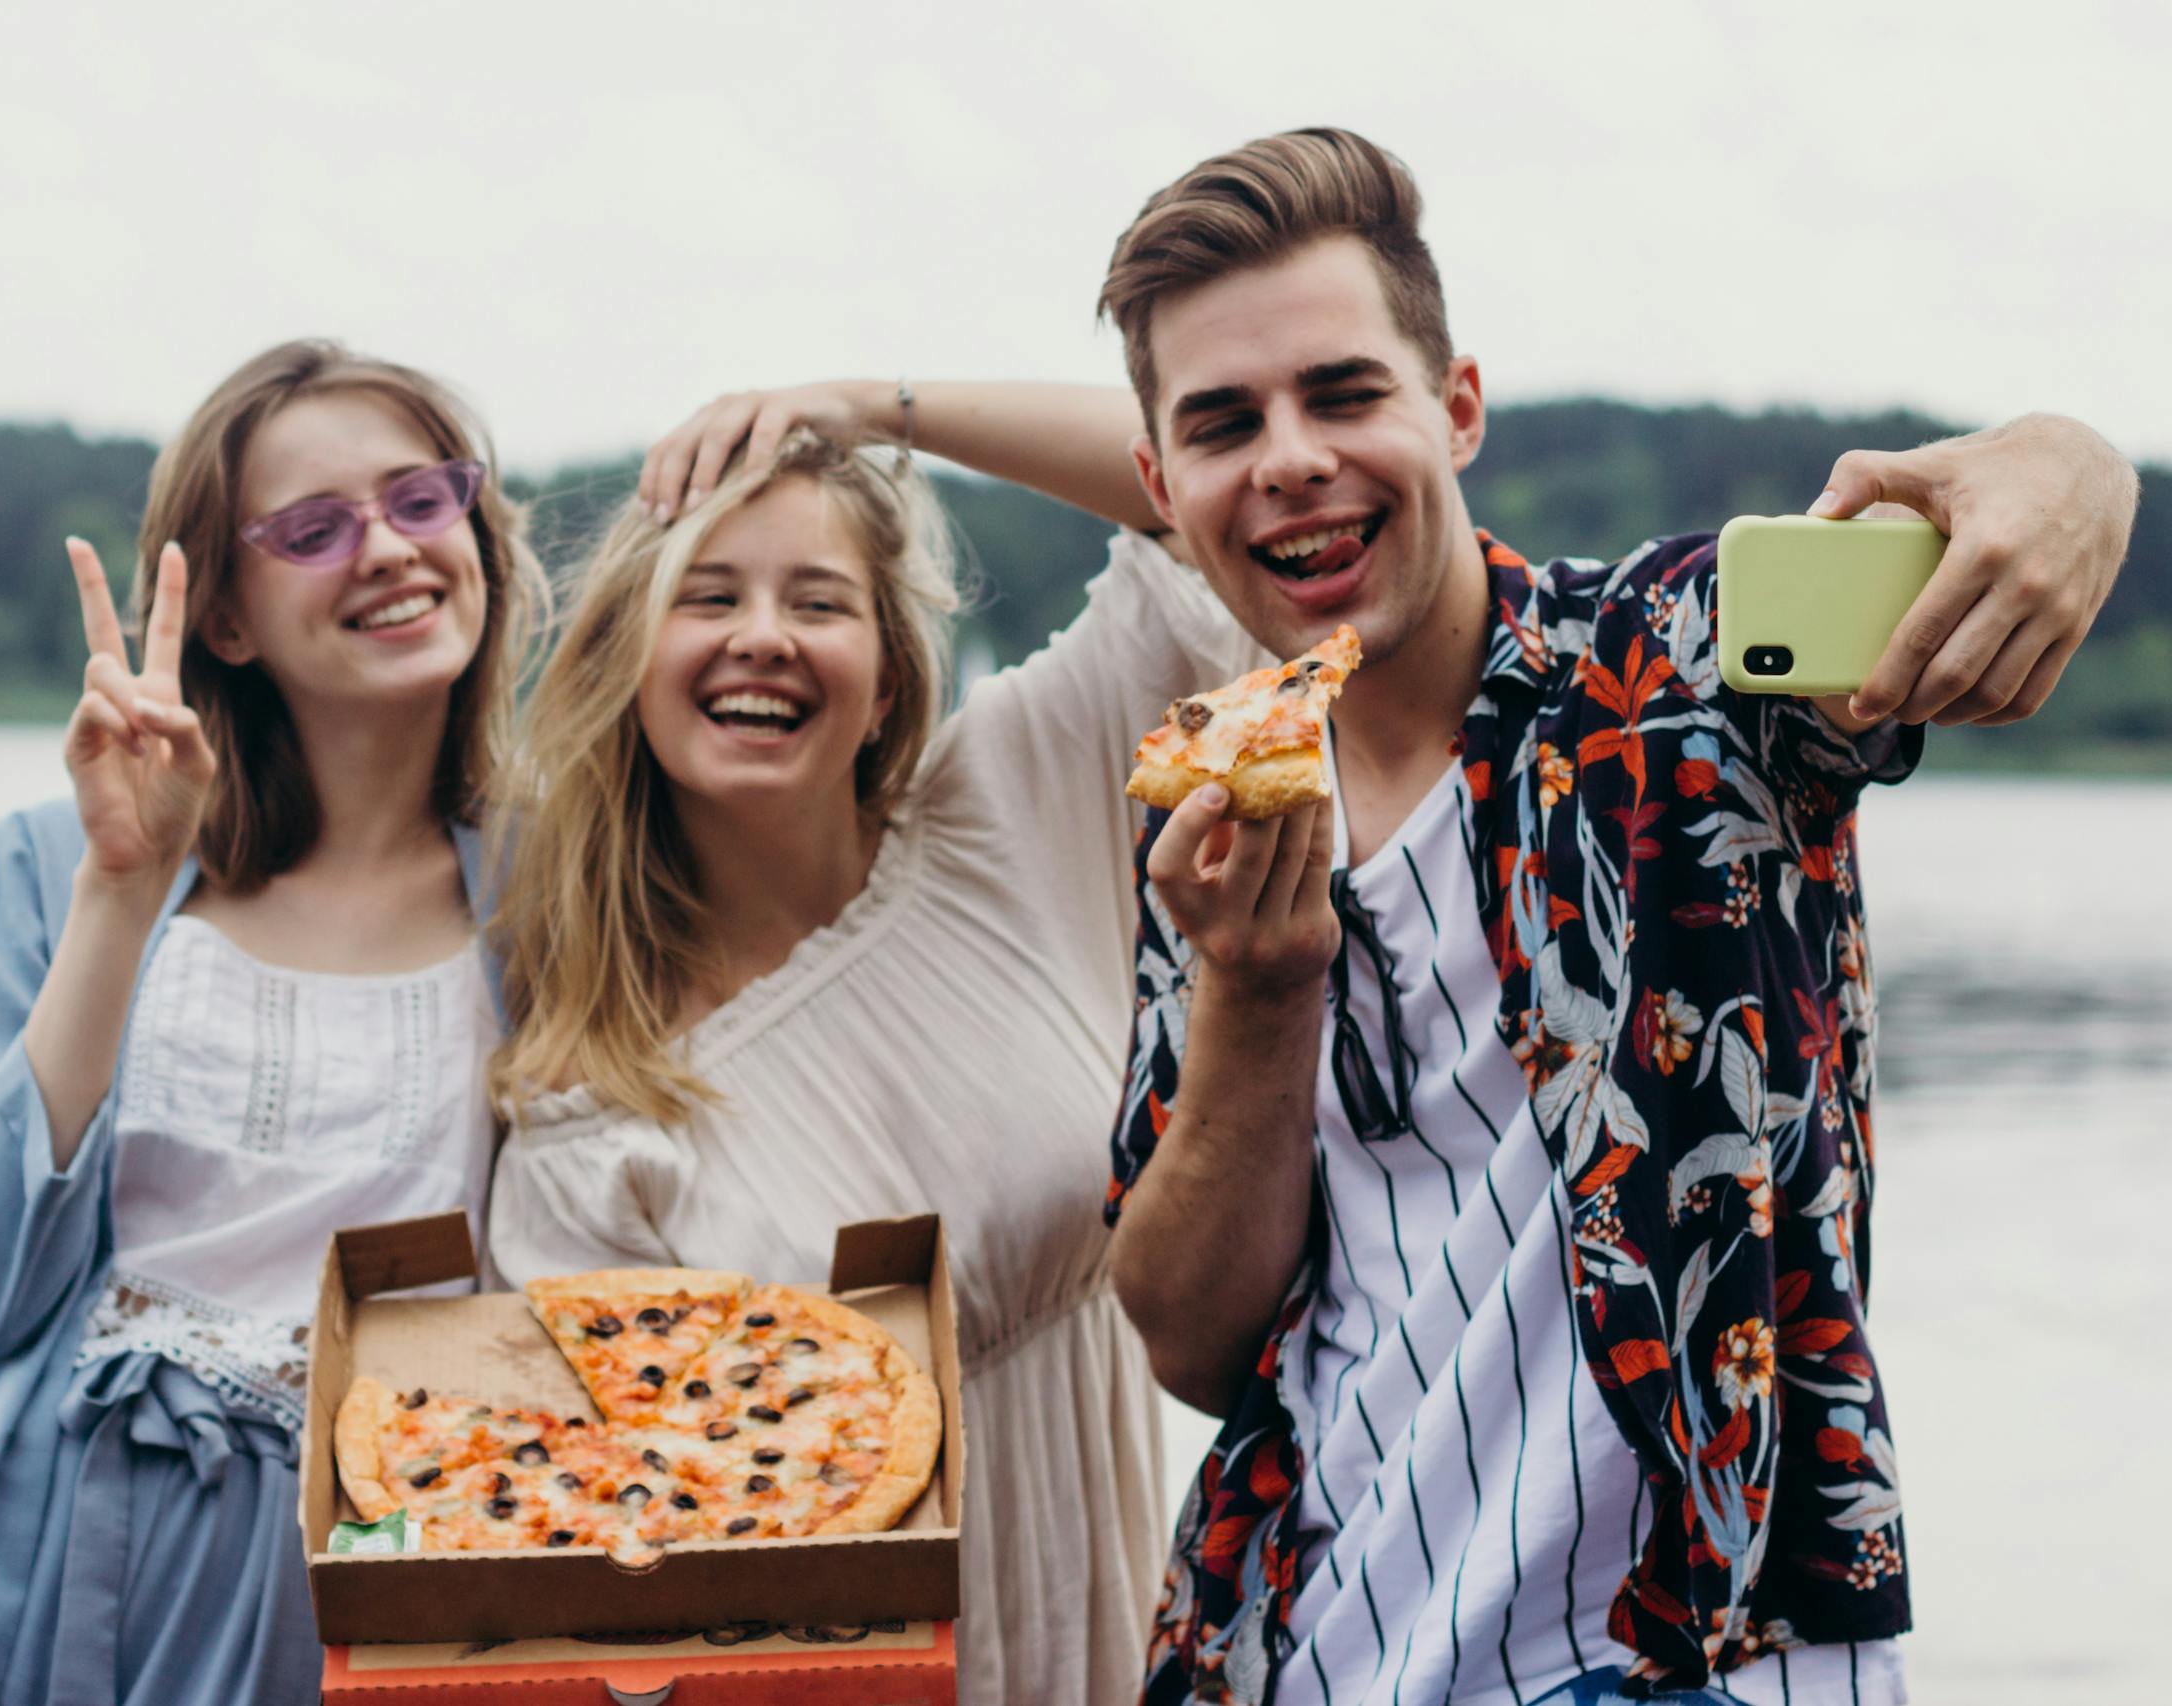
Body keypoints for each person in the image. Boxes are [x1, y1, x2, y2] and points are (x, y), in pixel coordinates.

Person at [1094, 130, 2139, 1705]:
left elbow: (2031, 496)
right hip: (1305, 1651)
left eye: (1344, 392)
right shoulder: (1209, 804)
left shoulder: (1681, 664)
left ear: (1455, 409)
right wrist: (1258, 987)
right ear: (1167, 489)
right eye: (1226, 423)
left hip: (1700, 1655)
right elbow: (1192, 1340)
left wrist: (2082, 468)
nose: (1292, 457)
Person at [0, 340, 542, 1705]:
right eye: (315, 529)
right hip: (33, 1556)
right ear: (225, 615)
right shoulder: (60, 859)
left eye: (419, 500)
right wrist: (119, 892)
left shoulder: (555, 899)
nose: (388, 550)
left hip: (349, 1582)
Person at [481, 409, 1263, 1706]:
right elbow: (627, 1590)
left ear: (888, 678)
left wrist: (868, 406)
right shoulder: (590, 1123)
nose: (764, 634)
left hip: (1149, 1631)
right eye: (710, 594)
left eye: (820, 599)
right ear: (627, 661)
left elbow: (1204, 510)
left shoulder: (1005, 812)